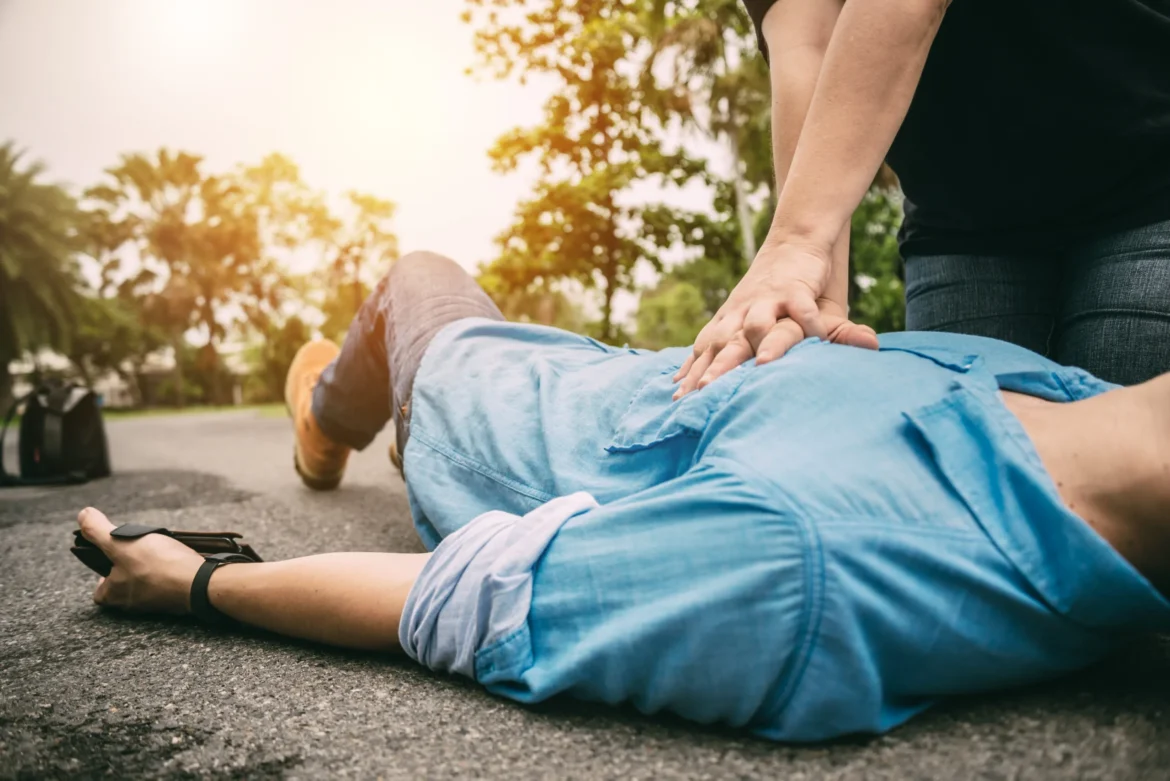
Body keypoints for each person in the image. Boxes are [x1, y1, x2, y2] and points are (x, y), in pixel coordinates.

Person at [77, 253, 1170, 742]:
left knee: (415, 277)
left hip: (488, 403)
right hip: (618, 369)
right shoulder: (1053, 387)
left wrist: (206, 582)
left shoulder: (804, 559)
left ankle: (326, 423)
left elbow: (467, 596)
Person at [673, 0, 1170, 399]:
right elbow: (809, 41)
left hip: (1145, 178)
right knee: (966, 465)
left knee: (1117, 462)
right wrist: (817, 298)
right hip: (961, 218)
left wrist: (794, 243)